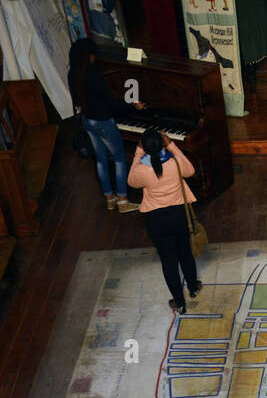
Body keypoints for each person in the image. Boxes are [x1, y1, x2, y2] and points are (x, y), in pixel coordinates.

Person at [127, 127, 202, 315]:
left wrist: (138, 152)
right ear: (163, 144)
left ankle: (179, 302)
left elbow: (131, 182)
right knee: (185, 252)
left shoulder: (142, 170)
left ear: (144, 147)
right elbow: (190, 171)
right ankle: (193, 287)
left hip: (156, 221)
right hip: (179, 216)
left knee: (169, 262)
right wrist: (172, 145)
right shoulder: (174, 163)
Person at [68, 37, 146, 212]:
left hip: (88, 121)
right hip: (104, 122)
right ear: (89, 56)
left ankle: (110, 198)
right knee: (119, 160)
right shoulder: (94, 77)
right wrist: (134, 106)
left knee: (101, 160)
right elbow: (112, 104)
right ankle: (123, 201)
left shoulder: (72, 74)